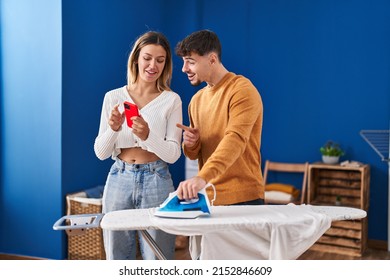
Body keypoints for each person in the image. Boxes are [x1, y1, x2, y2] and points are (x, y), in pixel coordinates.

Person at [94, 31, 182, 260]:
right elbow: (101, 153)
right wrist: (113, 129)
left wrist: (148, 136)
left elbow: (173, 154)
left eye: (160, 60)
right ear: (136, 59)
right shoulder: (113, 97)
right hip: (118, 178)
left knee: (158, 258)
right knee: (117, 255)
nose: (153, 65)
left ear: (166, 64)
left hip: (157, 180)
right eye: (147, 58)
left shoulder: (172, 100)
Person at [175, 29, 264, 206]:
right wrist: (192, 144)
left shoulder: (242, 90)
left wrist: (201, 178)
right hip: (209, 197)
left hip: (243, 198)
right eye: (184, 62)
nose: (184, 69)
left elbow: (235, 140)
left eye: (190, 62)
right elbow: (194, 154)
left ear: (212, 59)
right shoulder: (196, 100)